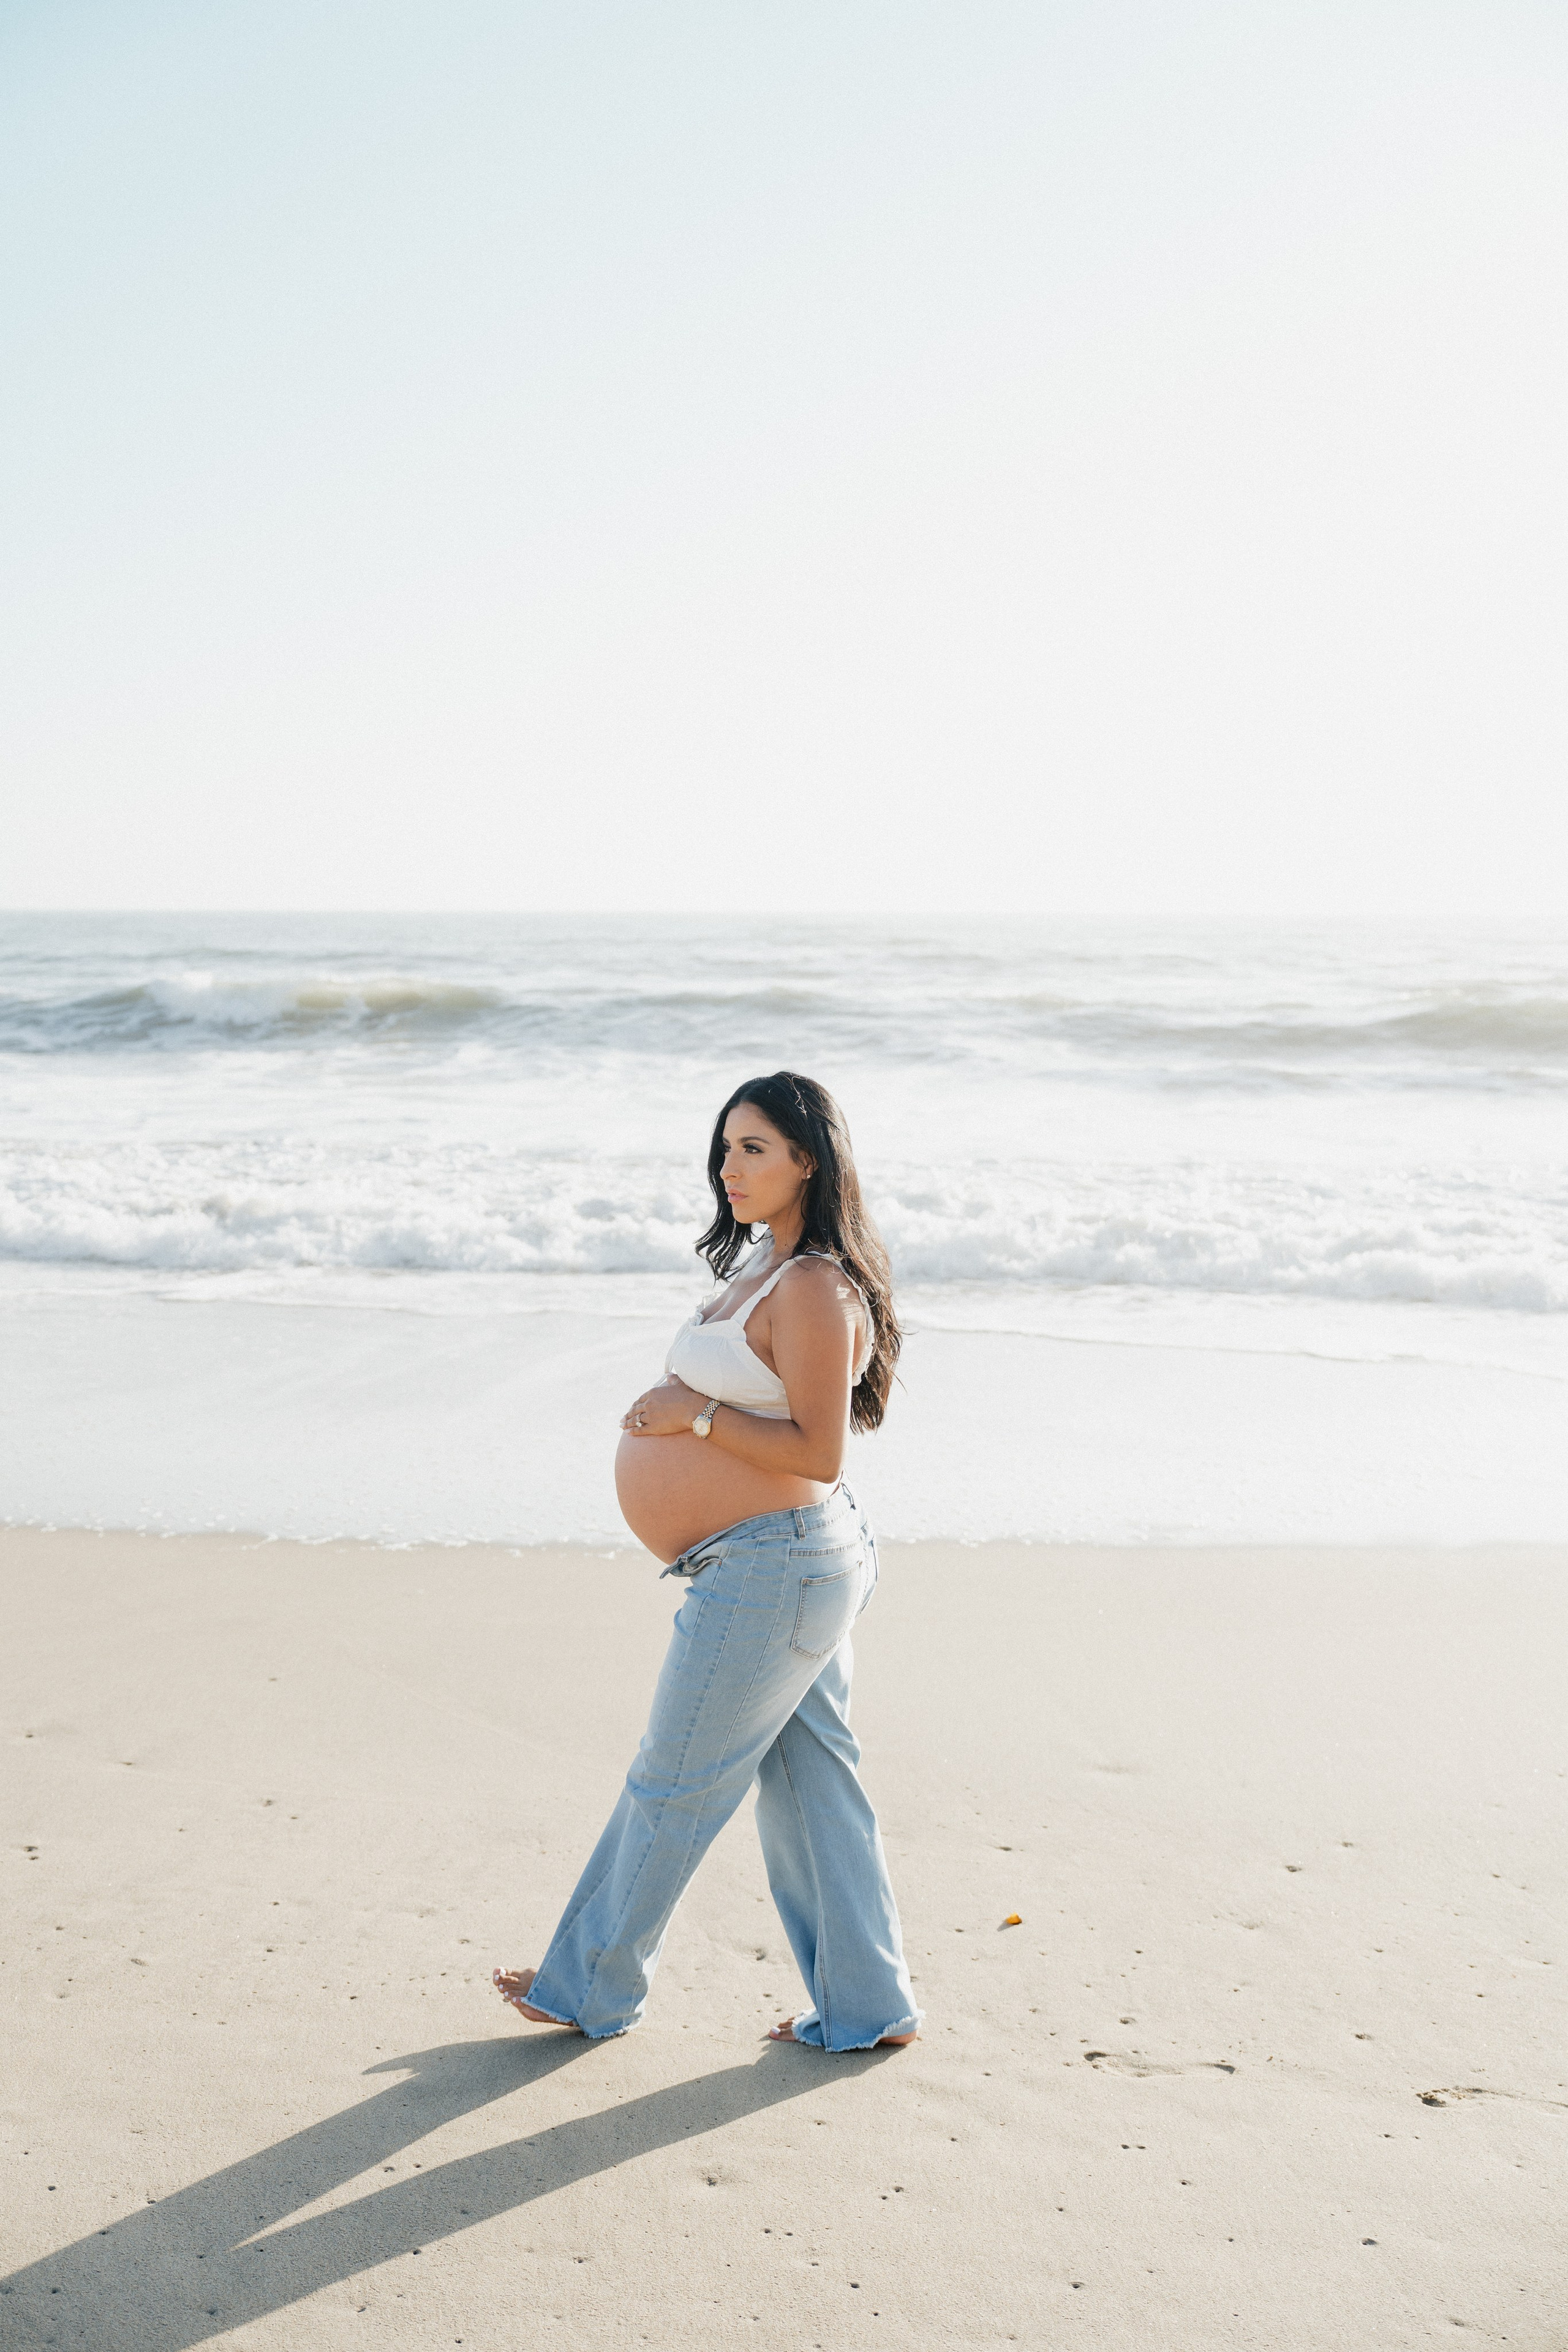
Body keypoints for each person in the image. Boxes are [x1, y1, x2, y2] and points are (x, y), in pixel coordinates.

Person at [494, 1070, 921, 2051]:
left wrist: (695, 1415)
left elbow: (819, 1451)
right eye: (725, 1147)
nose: (729, 1167)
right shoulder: (766, 1272)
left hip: (775, 1567)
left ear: (809, 1159)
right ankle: (870, 2005)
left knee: (673, 1779)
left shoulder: (813, 1288)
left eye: (755, 1149)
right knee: (816, 1789)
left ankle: (586, 1989)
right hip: (777, 1566)